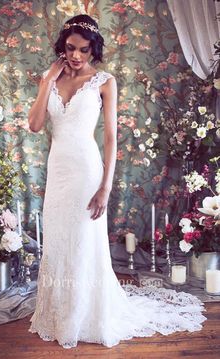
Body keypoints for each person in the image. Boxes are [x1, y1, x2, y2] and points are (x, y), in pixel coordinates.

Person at [28, 14, 206, 349]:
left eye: (84, 49)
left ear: (94, 48)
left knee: (83, 243)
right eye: (70, 48)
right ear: (61, 47)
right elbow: (36, 125)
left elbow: (110, 138)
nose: (76, 56)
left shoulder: (104, 81)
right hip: (59, 171)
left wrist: (105, 188)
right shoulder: (49, 78)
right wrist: (48, 78)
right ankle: (60, 313)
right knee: (59, 238)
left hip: (87, 171)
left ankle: (86, 316)